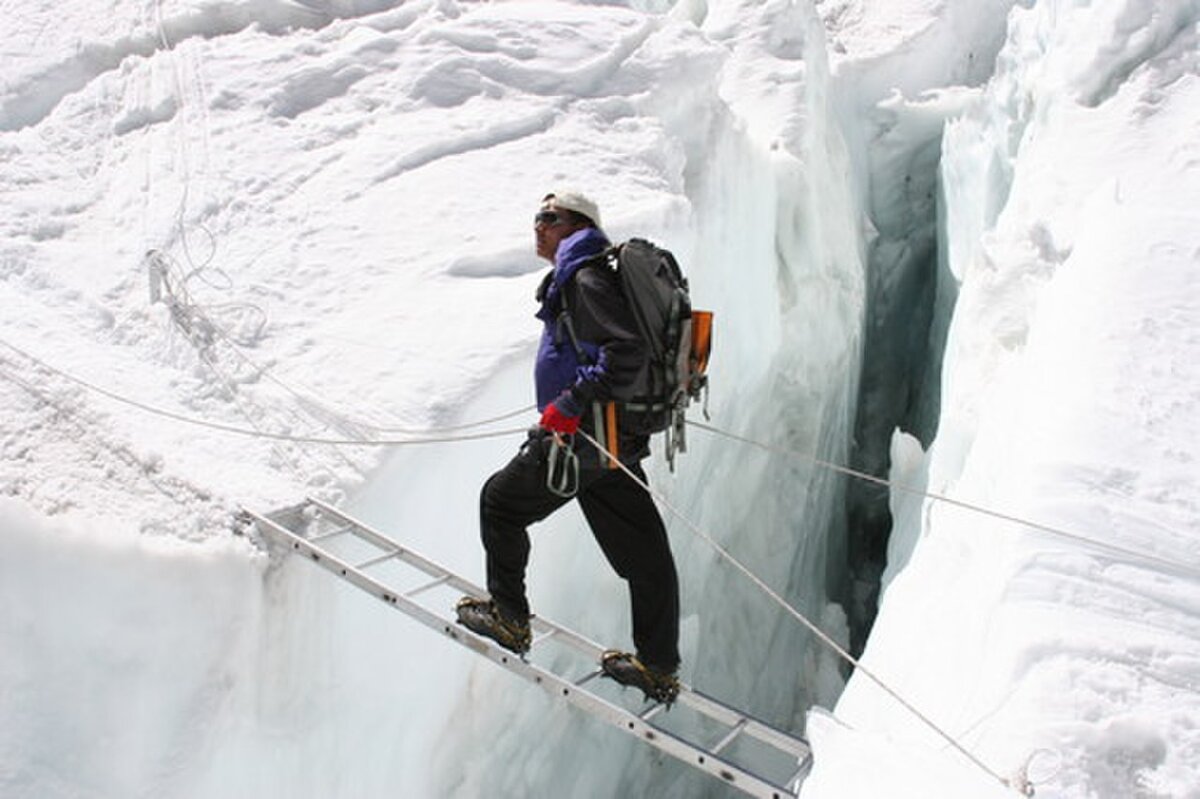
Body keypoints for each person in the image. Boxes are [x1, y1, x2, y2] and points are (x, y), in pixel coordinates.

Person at [455, 190, 681, 703]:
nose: (538, 225)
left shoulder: (585, 275)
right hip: (610, 441)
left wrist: (573, 402)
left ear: (576, 223)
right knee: (645, 555)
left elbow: (627, 350)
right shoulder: (586, 273)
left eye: (549, 217)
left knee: (500, 503)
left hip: (583, 435)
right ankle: (659, 667)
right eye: (537, 215)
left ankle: (509, 617)